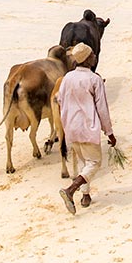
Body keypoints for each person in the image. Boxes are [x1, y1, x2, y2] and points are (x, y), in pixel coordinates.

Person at [56, 43, 116, 215]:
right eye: (92, 55)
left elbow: (60, 100)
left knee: (84, 162)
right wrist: (109, 132)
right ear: (87, 59)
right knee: (95, 162)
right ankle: (71, 190)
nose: (95, 57)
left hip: (71, 127)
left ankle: (86, 196)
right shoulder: (94, 79)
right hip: (88, 127)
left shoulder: (67, 78)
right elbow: (102, 109)